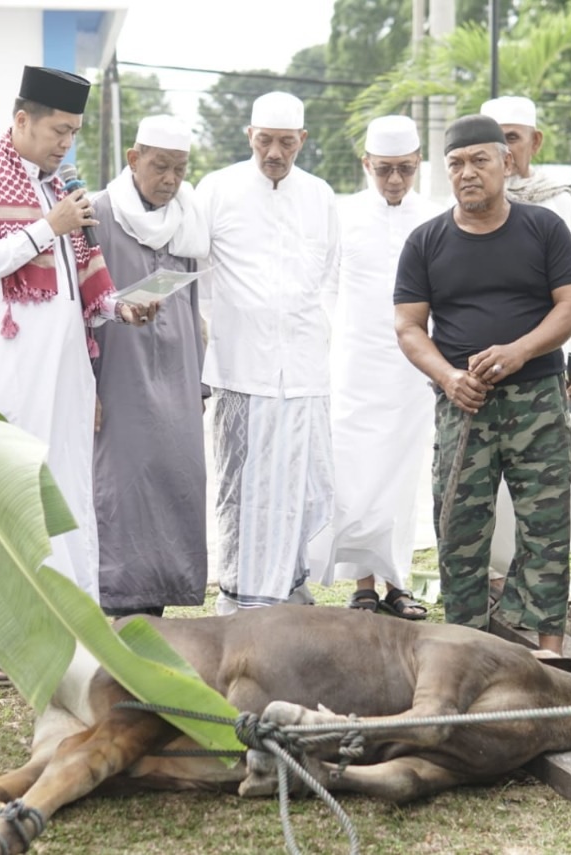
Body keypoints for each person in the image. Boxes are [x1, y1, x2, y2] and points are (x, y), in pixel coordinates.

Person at [0, 65, 147, 686]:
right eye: (58, 130)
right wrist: (44, 227)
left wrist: (118, 306)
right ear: (22, 120)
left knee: (65, 491)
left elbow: (78, 280)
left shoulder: (62, 184)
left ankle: (64, 619)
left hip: (65, 370)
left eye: (74, 133)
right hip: (4, 370)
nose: (65, 143)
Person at [393, 115, 571, 654]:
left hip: (538, 405)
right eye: (456, 163)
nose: (467, 172)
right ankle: (465, 649)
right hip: (465, 407)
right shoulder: (426, 242)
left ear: (507, 163)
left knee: (546, 524)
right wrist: (449, 377)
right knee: (459, 528)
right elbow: (409, 326)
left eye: (480, 160)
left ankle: (550, 653)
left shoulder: (543, 229)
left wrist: (519, 350)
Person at [196, 92, 339, 613]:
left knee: (302, 484)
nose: (274, 152)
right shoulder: (217, 189)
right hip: (241, 371)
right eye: (264, 140)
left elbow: (328, 276)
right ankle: (240, 596)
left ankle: (291, 584)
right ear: (248, 136)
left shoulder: (320, 195)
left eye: (285, 142)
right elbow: (199, 276)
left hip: (304, 371)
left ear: (302, 140)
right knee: (244, 489)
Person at [308, 115, 441, 620]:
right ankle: (363, 585)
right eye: (384, 170)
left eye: (405, 170)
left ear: (418, 165)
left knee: (401, 478)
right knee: (355, 472)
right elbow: (327, 285)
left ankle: (397, 583)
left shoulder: (434, 217)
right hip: (354, 363)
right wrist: (347, 334)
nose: (394, 182)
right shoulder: (342, 215)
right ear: (365, 164)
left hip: (412, 369)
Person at [90, 114, 210, 617]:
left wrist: (200, 384)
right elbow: (80, 303)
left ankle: (158, 606)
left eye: (179, 169)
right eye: (160, 167)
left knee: (176, 480)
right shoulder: (96, 213)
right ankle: (116, 606)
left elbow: (193, 302)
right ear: (133, 159)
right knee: (120, 486)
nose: (170, 180)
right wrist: (85, 386)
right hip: (118, 373)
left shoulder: (189, 218)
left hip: (177, 373)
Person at [479, 96, 571, 397]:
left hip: (541, 364)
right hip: (477, 364)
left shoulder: (557, 201)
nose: (504, 150)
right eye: (495, 140)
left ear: (535, 142)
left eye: (513, 138)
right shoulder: (469, 199)